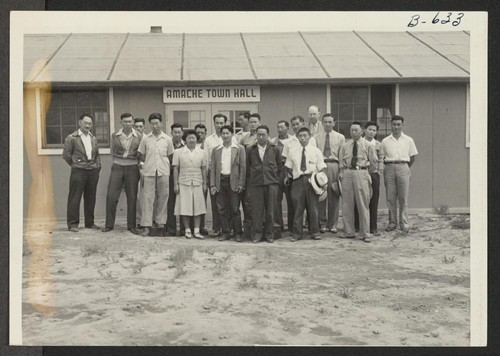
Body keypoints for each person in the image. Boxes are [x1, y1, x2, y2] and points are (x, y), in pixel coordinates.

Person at [102, 113, 142, 235]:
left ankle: (131, 226)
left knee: (132, 197)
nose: (128, 124)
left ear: (133, 122)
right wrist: (118, 162)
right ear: (121, 122)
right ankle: (109, 225)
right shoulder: (115, 135)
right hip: (118, 166)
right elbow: (112, 151)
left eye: (130, 121)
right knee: (111, 196)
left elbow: (140, 153)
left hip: (132, 167)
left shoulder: (139, 136)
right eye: (125, 121)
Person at [338, 121, 378, 242]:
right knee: (347, 204)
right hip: (348, 173)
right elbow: (341, 161)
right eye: (352, 130)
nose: (354, 132)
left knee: (363, 203)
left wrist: (364, 172)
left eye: (356, 130)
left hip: (361, 172)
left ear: (362, 131)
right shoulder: (345, 145)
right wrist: (343, 172)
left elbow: (374, 162)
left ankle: (365, 233)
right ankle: (349, 231)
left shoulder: (368, 145)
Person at [285, 127, 326, 242]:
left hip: (312, 180)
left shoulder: (315, 151)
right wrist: (295, 175)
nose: (302, 138)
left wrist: (320, 181)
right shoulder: (292, 151)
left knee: (313, 208)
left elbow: (322, 167)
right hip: (298, 181)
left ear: (310, 136)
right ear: (297, 137)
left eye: (305, 136)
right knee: (297, 208)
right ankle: (297, 233)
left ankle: (315, 231)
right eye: (300, 136)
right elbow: (288, 167)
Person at [62, 113, 101, 232]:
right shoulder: (72, 138)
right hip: (78, 171)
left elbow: (97, 154)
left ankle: (90, 223)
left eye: (90, 123)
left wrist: (97, 166)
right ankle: (73, 224)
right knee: (75, 197)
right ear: (80, 123)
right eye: (85, 123)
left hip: (92, 171)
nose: (88, 125)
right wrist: (76, 165)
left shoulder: (93, 138)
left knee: (91, 197)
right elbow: (66, 155)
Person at [137, 113, 174, 237]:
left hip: (163, 171)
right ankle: (146, 226)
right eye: (152, 123)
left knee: (163, 197)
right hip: (149, 171)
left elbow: (170, 156)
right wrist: (143, 164)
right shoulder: (146, 138)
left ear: (161, 123)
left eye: (156, 123)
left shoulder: (167, 139)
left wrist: (166, 166)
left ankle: (160, 223)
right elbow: (141, 154)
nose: (154, 126)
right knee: (147, 199)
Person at [380, 115, 418, 233]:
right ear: (391, 125)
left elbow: (412, 157)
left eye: (398, 124)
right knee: (390, 197)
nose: (396, 127)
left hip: (403, 167)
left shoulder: (408, 140)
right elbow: (382, 156)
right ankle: (392, 222)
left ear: (402, 125)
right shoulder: (385, 141)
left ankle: (404, 222)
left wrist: (404, 167)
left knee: (403, 197)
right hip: (389, 167)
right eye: (394, 124)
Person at [246, 125, 282, 243]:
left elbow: (279, 167)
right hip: (255, 184)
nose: (261, 137)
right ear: (256, 135)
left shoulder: (275, 149)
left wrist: (275, 180)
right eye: (259, 134)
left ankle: (269, 234)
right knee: (257, 210)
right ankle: (257, 233)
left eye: (263, 135)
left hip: (271, 183)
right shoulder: (250, 150)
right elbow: (247, 168)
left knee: (271, 211)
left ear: (268, 135)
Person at [210, 125, 246, 242]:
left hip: (234, 182)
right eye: (223, 133)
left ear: (231, 134)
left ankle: (237, 233)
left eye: (227, 133)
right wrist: (213, 185)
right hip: (220, 181)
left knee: (235, 209)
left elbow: (243, 167)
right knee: (221, 209)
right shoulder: (216, 149)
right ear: (220, 135)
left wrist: (241, 183)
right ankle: (225, 232)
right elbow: (213, 168)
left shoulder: (239, 148)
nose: (225, 135)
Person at [203, 114, 235, 237]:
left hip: (229, 175)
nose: (219, 125)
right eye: (217, 123)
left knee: (230, 204)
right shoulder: (209, 140)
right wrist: (208, 179)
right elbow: (206, 159)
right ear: (214, 123)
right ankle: (217, 228)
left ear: (225, 123)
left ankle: (229, 229)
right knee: (217, 203)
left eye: (221, 123)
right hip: (215, 174)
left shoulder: (232, 138)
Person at [173, 130, 208, 239]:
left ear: (197, 139)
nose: (191, 140)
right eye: (189, 138)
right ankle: (187, 230)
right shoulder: (178, 152)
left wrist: (205, 183)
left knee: (198, 207)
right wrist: (175, 184)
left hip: (197, 182)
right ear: (185, 139)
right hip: (183, 182)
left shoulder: (202, 152)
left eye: (193, 138)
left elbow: (203, 169)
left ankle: (196, 231)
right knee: (185, 206)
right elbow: (175, 168)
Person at [315, 113, 345, 234]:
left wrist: (341, 170)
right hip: (321, 166)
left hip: (334, 165)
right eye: (325, 122)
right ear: (322, 123)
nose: (327, 124)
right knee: (321, 195)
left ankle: (333, 224)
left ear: (334, 123)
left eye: (330, 122)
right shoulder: (316, 137)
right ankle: (322, 223)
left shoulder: (340, 137)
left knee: (334, 195)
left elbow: (342, 156)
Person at [354, 121, 384, 236]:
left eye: (374, 130)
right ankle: (358, 225)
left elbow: (381, 158)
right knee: (360, 198)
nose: (372, 132)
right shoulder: (359, 143)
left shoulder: (378, 144)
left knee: (373, 198)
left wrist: (379, 169)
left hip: (374, 173)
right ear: (364, 130)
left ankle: (373, 227)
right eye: (370, 129)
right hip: (362, 172)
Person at [239, 113, 261, 240]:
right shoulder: (244, 138)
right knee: (248, 203)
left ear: (259, 122)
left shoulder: (265, 137)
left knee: (259, 203)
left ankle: (259, 229)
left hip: (260, 176)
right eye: (251, 122)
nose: (253, 124)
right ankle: (248, 231)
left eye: (255, 122)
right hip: (248, 175)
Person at [271, 120, 294, 232]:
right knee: (276, 199)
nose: (280, 130)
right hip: (277, 173)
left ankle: (292, 225)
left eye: (282, 127)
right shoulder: (273, 142)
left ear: (287, 128)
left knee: (291, 200)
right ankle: (279, 225)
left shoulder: (293, 140)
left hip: (290, 172)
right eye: (278, 127)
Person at [166, 123, 185, 236]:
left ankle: (183, 228)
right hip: (169, 175)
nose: (177, 134)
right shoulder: (168, 145)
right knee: (170, 202)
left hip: (183, 176)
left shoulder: (186, 145)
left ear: (182, 133)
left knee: (183, 202)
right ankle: (171, 229)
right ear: (171, 133)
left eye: (179, 132)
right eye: (175, 132)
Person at [134, 117, 146, 226]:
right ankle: (139, 220)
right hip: (134, 169)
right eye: (136, 126)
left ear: (144, 127)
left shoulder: (148, 139)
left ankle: (148, 219)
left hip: (146, 170)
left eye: (140, 126)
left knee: (146, 194)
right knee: (137, 194)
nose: (138, 128)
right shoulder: (132, 139)